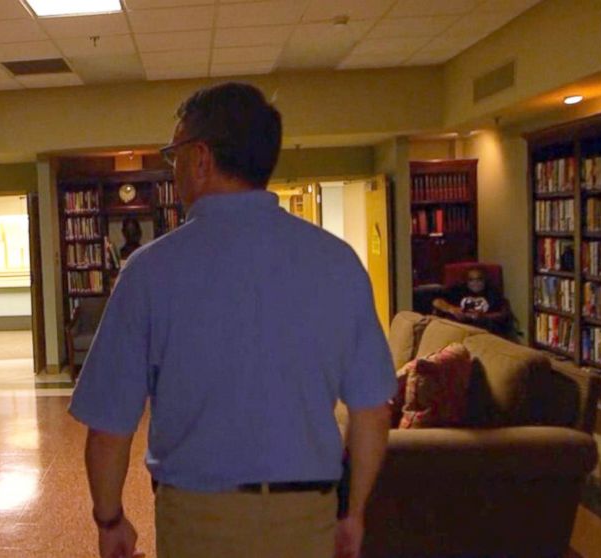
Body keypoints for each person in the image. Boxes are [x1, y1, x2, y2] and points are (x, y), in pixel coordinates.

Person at [68, 82, 395, 558]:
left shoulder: (149, 271)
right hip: (306, 518)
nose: (172, 167)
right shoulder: (338, 262)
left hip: (197, 522)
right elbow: (374, 411)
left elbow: (109, 427)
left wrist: (109, 518)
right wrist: (354, 513)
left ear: (200, 159)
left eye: (173, 153)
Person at [432, 266, 510, 332]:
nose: (475, 282)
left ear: (484, 280)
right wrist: (451, 309)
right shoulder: (458, 290)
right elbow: (436, 302)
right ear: (466, 281)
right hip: (458, 329)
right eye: (471, 279)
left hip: (484, 331)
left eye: (479, 279)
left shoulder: (492, 292)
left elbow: (503, 314)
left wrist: (483, 317)